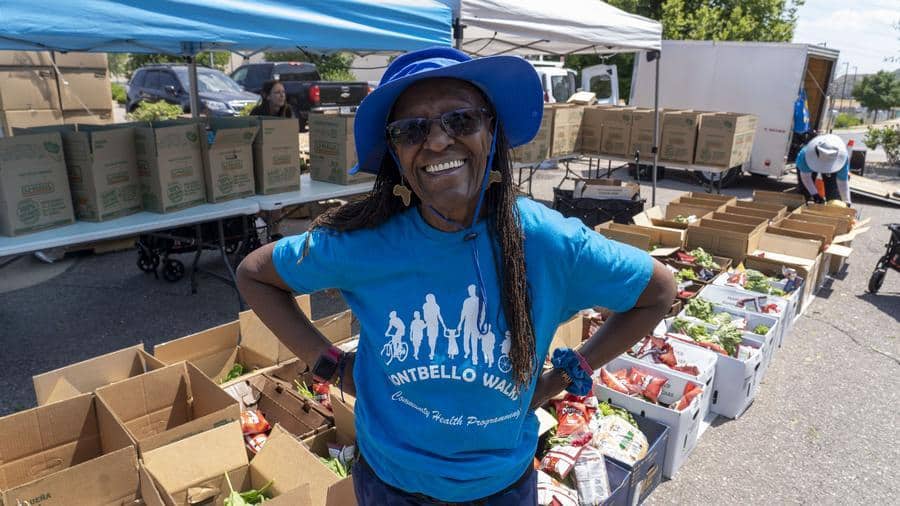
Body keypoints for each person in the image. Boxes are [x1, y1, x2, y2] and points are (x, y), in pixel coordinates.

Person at [236, 47, 675, 505]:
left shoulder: (547, 242)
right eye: (412, 130)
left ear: (493, 131)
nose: (438, 141)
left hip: (498, 488)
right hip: (390, 483)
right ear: (396, 153)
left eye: (460, 120)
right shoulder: (365, 242)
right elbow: (255, 275)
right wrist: (330, 366)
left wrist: (562, 378)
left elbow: (659, 290)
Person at [796, 134, 852, 205]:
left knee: (833, 196)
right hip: (807, 165)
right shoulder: (804, 156)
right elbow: (806, 178)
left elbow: (842, 182)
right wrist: (815, 194)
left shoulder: (843, 159)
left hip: (832, 163)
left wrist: (847, 201)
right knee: (804, 193)